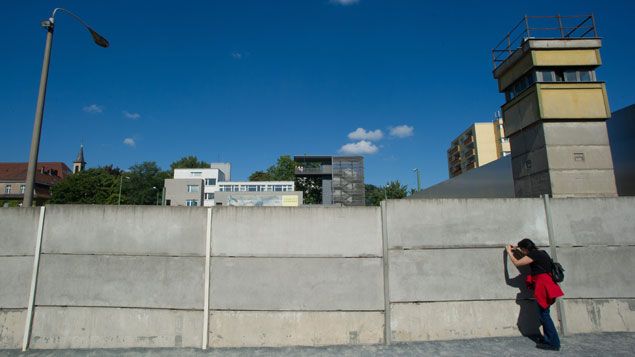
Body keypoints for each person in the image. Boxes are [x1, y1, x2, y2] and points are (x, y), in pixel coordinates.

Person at [506, 238, 564, 351]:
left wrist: (509, 252)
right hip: (548, 285)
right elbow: (526, 254)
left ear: (525, 249)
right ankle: (549, 340)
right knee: (544, 314)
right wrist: (516, 247)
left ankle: (554, 343)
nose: (521, 252)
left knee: (544, 316)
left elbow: (517, 262)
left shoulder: (534, 255)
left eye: (522, 250)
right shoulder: (541, 253)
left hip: (543, 286)